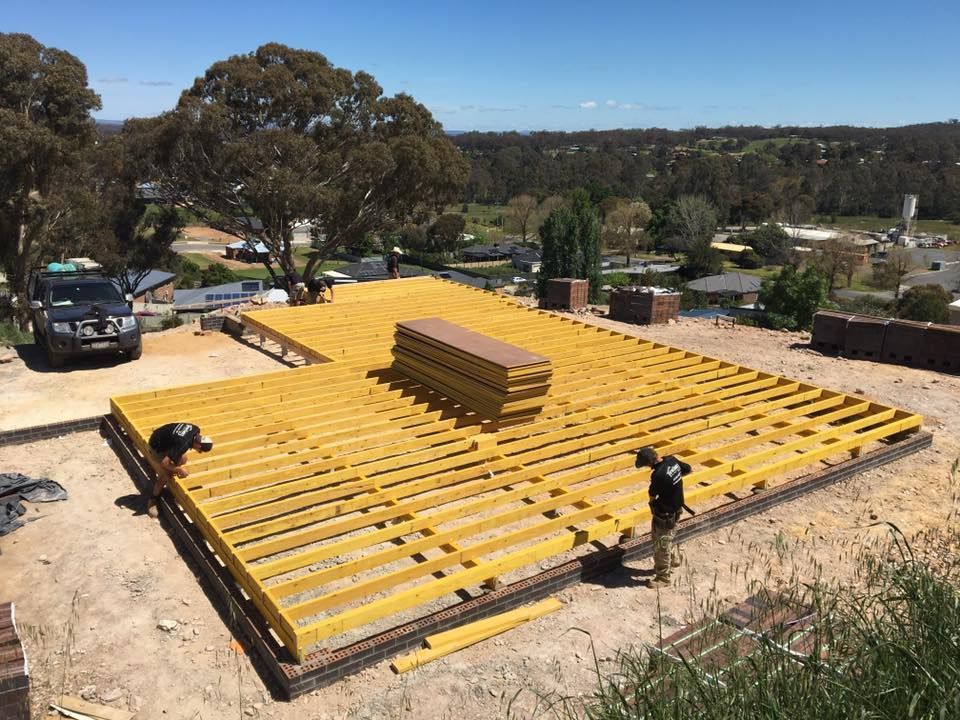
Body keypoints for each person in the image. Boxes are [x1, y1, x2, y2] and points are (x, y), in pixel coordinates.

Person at [635, 446, 691, 588]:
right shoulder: (671, 460)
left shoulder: (658, 475)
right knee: (669, 536)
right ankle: (674, 560)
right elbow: (688, 469)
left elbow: (652, 494)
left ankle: (663, 578)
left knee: (661, 544)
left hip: (665, 514)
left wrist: (652, 504)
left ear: (648, 463)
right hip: (677, 508)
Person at [145, 423, 213, 518]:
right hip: (155, 447)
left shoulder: (195, 429)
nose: (199, 452)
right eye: (200, 450)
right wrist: (179, 469)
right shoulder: (183, 444)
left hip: (162, 439)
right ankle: (153, 500)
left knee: (183, 458)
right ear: (199, 446)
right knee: (166, 475)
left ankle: (171, 472)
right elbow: (164, 463)